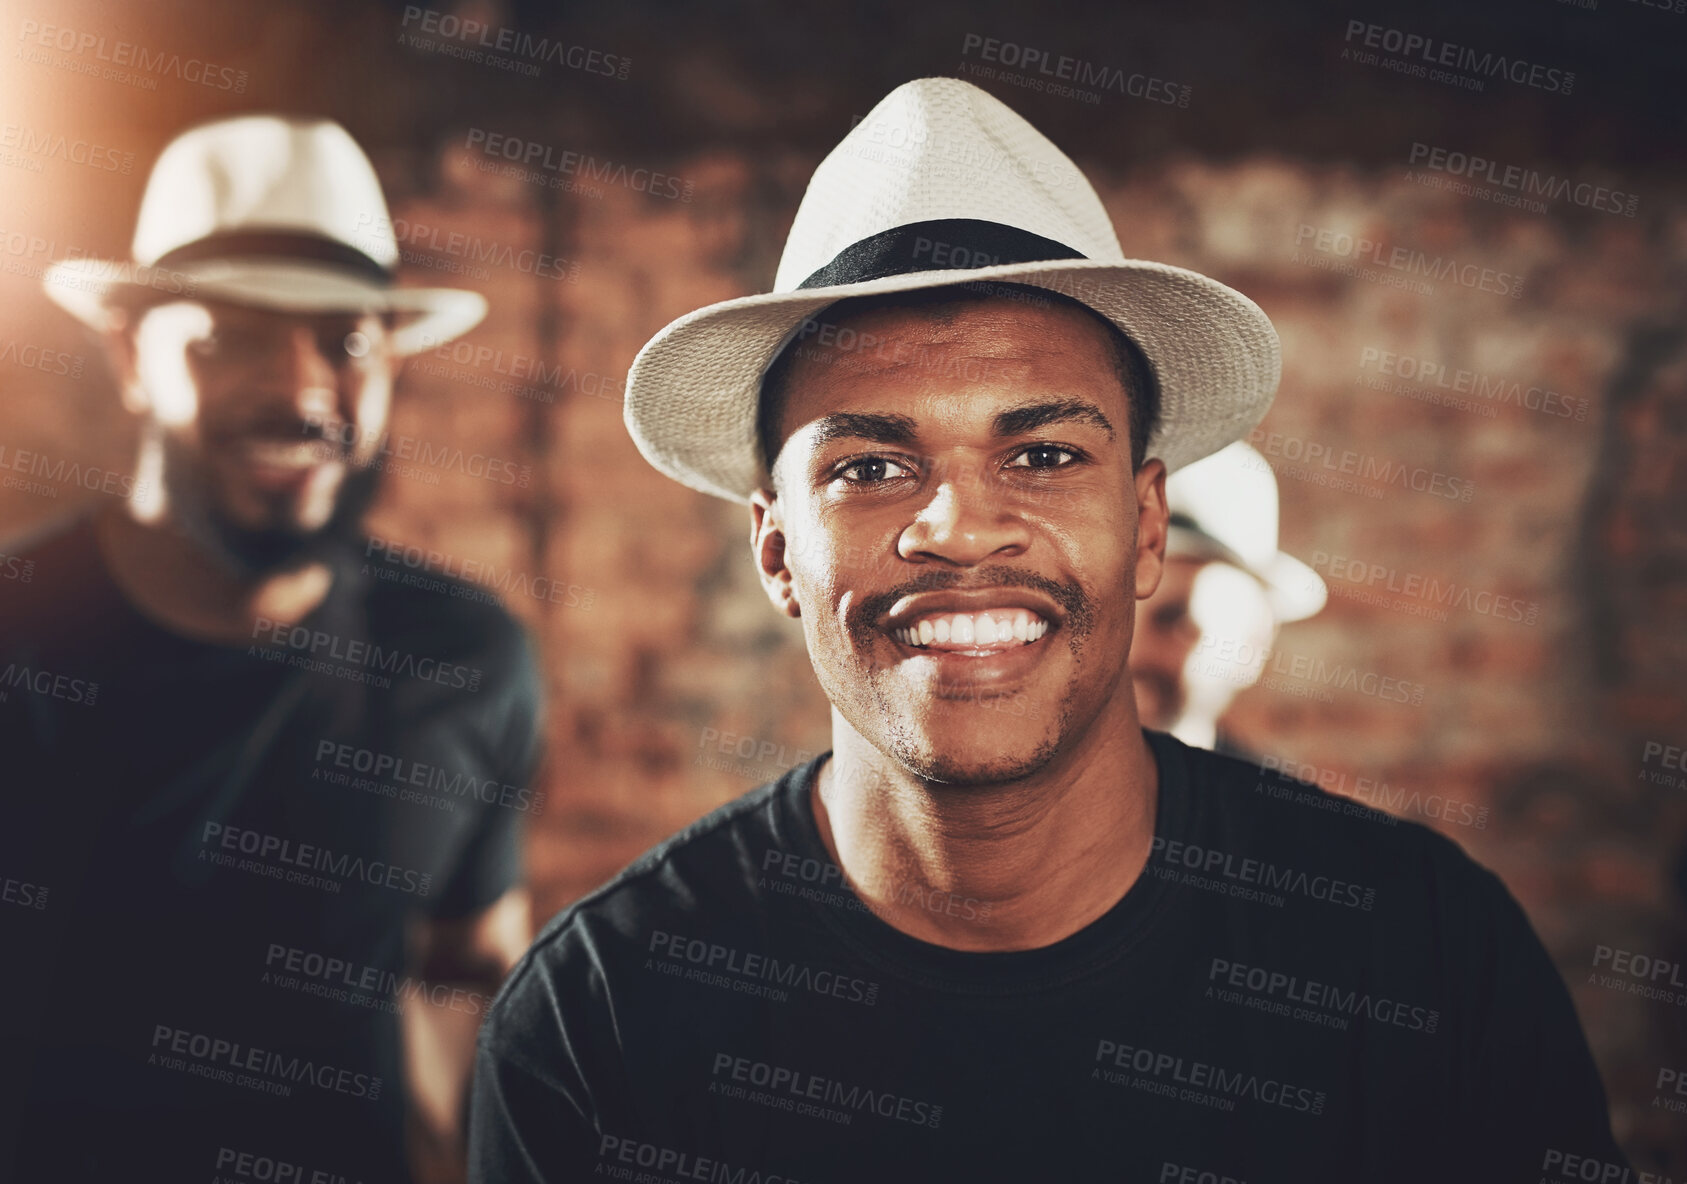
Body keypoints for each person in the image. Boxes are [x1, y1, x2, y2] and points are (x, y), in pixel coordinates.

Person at [468, 77, 1627, 1182]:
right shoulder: (602, 1023)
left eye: (1042, 454)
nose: (963, 527)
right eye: (872, 464)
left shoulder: (1421, 958)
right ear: (776, 551)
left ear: (1143, 523)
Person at [0, 115, 544, 1182]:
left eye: (344, 341)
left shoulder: (465, 655)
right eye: (231, 335)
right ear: (131, 357)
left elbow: (463, 972)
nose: (300, 390)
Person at [1129, 440, 1326, 755]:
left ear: (1253, 644)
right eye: (1111, 617)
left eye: (1174, 621)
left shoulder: (1269, 804)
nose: (1128, 652)